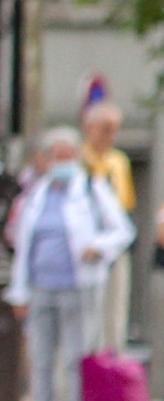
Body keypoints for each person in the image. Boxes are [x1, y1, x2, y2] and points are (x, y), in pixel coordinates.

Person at [5, 125, 132, 401]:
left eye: (69, 155)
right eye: (57, 156)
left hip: (79, 285)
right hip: (40, 286)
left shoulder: (92, 188)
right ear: (47, 160)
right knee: (41, 357)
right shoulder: (36, 194)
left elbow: (123, 230)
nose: (62, 162)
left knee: (77, 356)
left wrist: (98, 246)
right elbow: (23, 246)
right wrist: (18, 291)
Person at [81, 101, 136, 352]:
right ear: (89, 127)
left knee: (115, 314)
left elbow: (125, 204)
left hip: (116, 243)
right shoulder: (80, 161)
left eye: (115, 130)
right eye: (105, 129)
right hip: (87, 247)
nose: (110, 136)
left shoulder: (119, 161)